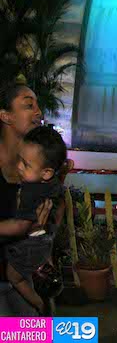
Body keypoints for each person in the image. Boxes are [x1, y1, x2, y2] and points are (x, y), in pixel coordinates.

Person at [0, 83, 53, 316]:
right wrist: (23, 227)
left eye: (38, 106)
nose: (38, 112)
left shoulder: (38, 169)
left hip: (25, 280)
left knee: (38, 331)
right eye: (29, 105)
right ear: (6, 116)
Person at [4, 126, 66, 315]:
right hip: (45, 241)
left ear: (46, 172)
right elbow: (60, 207)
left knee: (14, 276)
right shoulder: (52, 184)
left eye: (25, 164)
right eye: (19, 160)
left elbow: (20, 226)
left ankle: (40, 304)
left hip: (31, 243)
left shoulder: (31, 191)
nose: (19, 167)